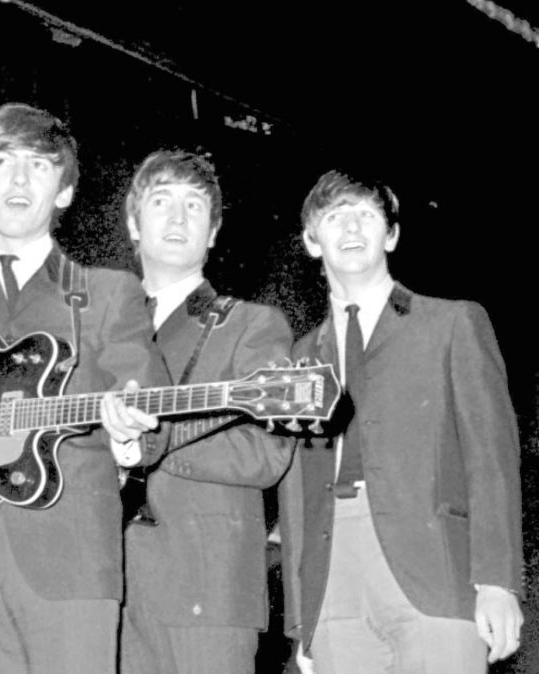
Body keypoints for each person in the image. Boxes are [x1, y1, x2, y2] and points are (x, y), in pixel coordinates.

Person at [0, 102, 170, 674]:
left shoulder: (108, 293)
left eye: (39, 165)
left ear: (64, 192)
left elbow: (143, 394)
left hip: (73, 561)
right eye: (2, 161)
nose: (18, 178)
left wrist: (128, 435)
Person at [278, 169, 524, 674]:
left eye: (366, 215)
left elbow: (492, 460)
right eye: (334, 216)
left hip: (436, 569)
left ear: (391, 235)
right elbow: (295, 493)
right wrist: (302, 620)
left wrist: (498, 581)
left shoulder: (453, 323)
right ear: (310, 241)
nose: (351, 227)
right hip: (333, 581)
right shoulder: (299, 357)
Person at [117, 150, 295, 674]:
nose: (177, 218)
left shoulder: (250, 325)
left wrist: (151, 444)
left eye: (194, 206)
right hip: (100, 592)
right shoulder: (97, 329)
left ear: (214, 232)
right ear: (133, 222)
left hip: (206, 592)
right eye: (161, 202)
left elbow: (266, 451)